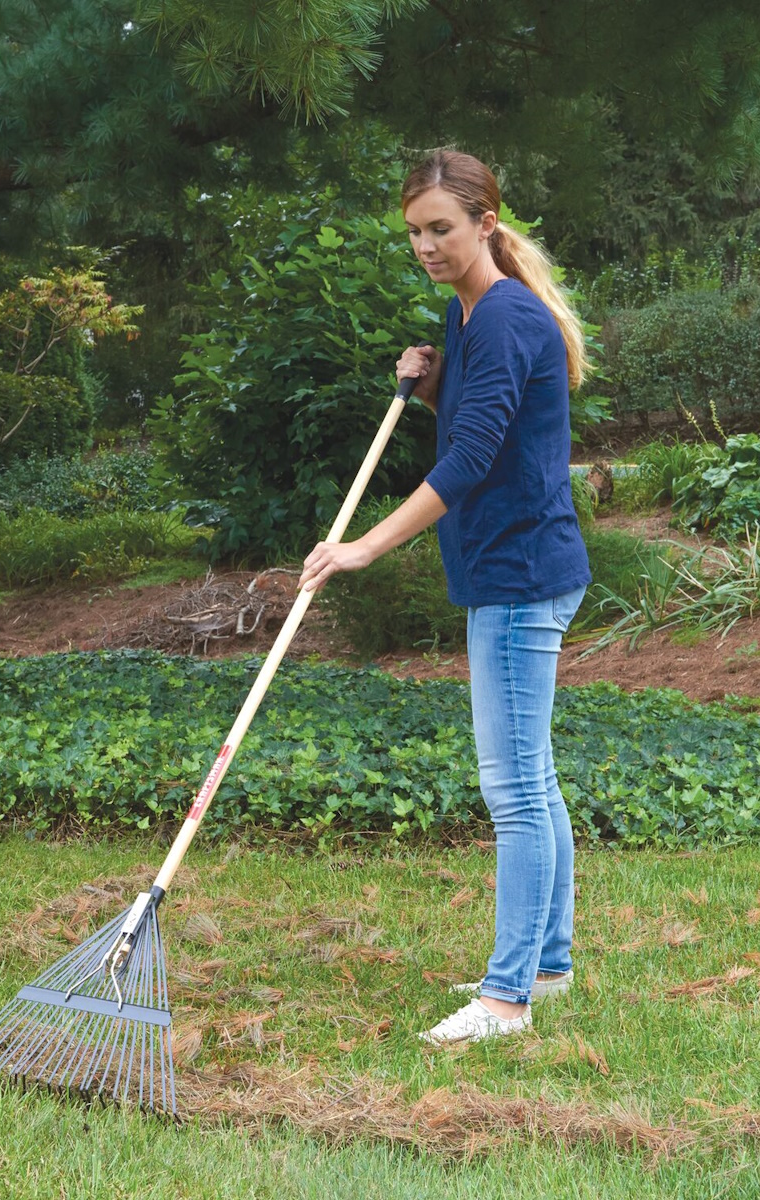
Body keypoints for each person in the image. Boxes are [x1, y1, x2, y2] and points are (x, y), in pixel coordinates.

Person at [297, 148, 593, 1045]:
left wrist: (363, 547)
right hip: (514, 565)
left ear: (485, 224)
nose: (426, 246)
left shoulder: (502, 316)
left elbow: (467, 463)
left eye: (441, 229)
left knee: (515, 791)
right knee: (533, 778)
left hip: (518, 574)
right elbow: (482, 428)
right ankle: (547, 968)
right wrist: (431, 387)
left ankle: (506, 1001)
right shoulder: (468, 314)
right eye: (415, 233)